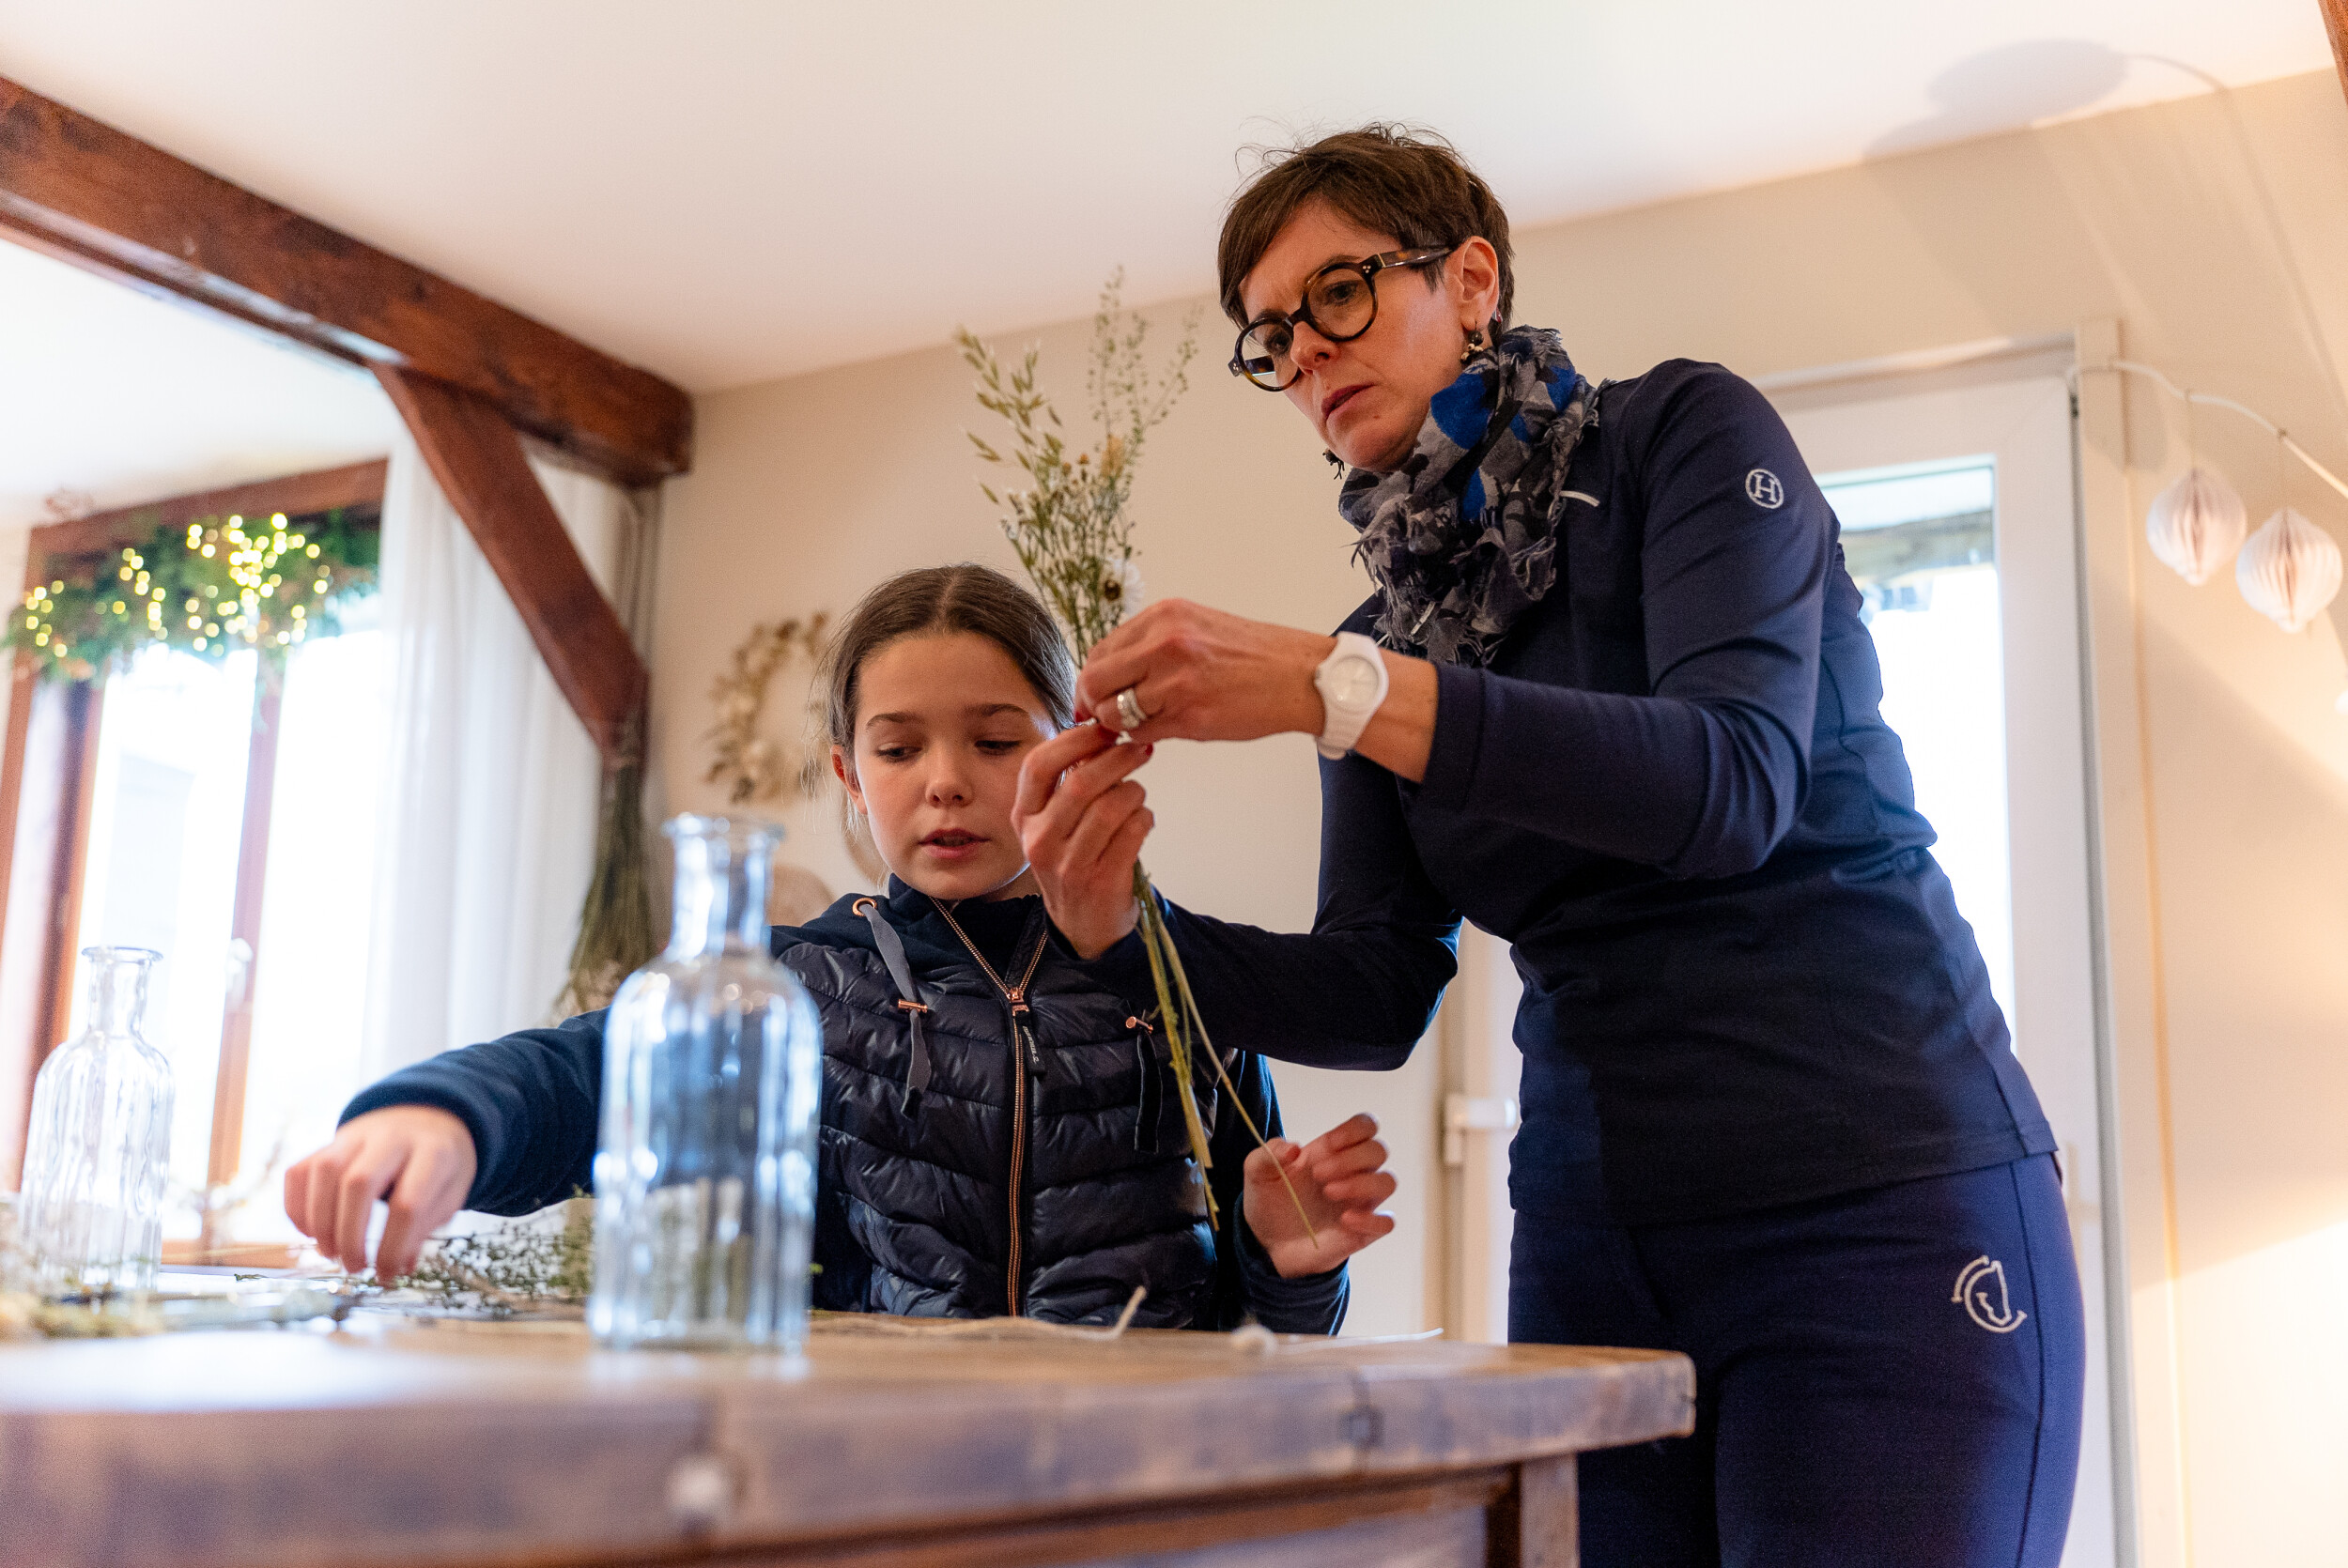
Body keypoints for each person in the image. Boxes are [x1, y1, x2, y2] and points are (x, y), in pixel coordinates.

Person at [1014, 128, 2085, 1563]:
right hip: (1594, 1236)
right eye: (1272, 335)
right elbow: (1378, 984)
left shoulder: (1685, 437)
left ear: (1472, 280)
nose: (1306, 352)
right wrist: (1115, 931)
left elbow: (1731, 782)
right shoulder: (1384, 641)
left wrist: (1339, 692)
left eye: (1337, 293)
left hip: (1876, 1197)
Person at [285, 564, 1396, 1331]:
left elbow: (1272, 1323)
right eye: (899, 746)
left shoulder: (1175, 983)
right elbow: (582, 1071)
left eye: (998, 738)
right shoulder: (797, 982)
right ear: (850, 775)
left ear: (1075, 748)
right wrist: (441, 1114)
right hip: (881, 1478)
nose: (946, 778)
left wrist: (1292, 1261)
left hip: (1130, 1487)